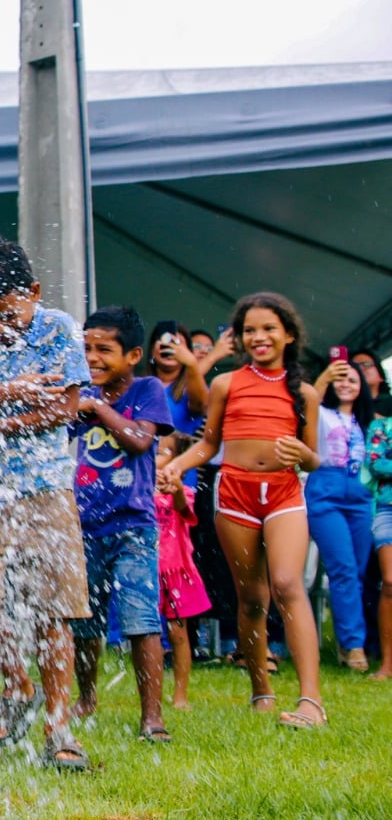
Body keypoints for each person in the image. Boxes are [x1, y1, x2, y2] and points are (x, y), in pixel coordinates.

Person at [0, 239, 92, 771]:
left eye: (8, 315)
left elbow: (66, 409)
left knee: (53, 607)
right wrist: (11, 391)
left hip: (44, 486)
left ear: (33, 291)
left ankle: (58, 727)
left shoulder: (59, 329)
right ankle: (17, 682)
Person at [160, 292, 324, 728]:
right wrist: (177, 465)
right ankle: (261, 691)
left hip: (284, 494)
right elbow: (209, 444)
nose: (259, 337)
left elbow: (313, 459)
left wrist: (302, 455)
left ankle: (311, 702)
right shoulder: (225, 384)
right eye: (250, 330)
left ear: (289, 335)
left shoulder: (305, 394)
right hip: (235, 495)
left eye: (269, 328)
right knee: (251, 598)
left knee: (287, 583)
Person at [68, 306, 174, 741]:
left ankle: (152, 717)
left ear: (132, 355)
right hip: (83, 525)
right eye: (87, 348)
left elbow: (139, 441)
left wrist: (98, 407)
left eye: (104, 349)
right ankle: (86, 697)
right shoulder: (78, 393)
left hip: (133, 525)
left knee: (140, 619)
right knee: (83, 621)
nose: (92, 357)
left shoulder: (147, 389)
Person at [306, 358, 375, 671]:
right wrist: (324, 377)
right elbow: (308, 402)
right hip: (326, 492)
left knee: (357, 572)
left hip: (361, 495)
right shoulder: (320, 413)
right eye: (340, 379)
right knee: (343, 568)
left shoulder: (368, 422)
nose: (346, 384)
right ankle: (353, 644)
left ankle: (349, 641)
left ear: (362, 387)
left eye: (352, 380)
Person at [154, 434, 212, 709]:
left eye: (162, 452)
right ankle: (152, 694)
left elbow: (183, 509)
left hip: (176, 572)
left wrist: (175, 487)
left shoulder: (184, 492)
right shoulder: (138, 489)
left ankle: (180, 694)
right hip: (147, 572)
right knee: (149, 636)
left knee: (178, 634)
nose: (155, 458)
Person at [364, 408, 392, 680]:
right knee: (390, 582)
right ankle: (387, 663)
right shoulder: (381, 426)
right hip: (387, 509)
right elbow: (376, 464)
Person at [350, 349, 392, 419]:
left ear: (381, 376)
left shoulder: (389, 402)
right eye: (355, 366)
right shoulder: (344, 404)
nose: (360, 368)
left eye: (366, 364)